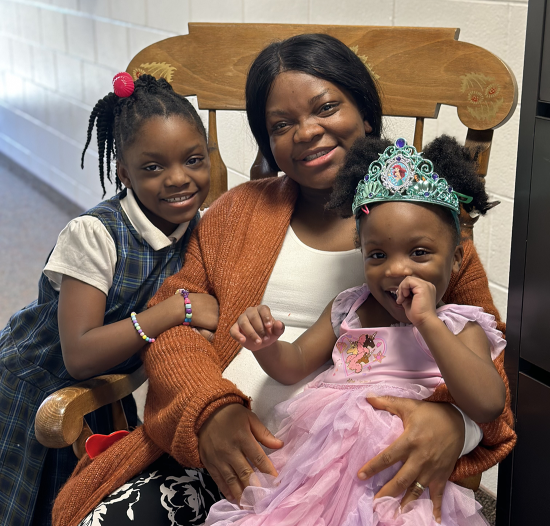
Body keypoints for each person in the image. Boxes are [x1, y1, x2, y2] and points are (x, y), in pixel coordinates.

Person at [53, 34, 515, 526]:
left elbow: (488, 367)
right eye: (281, 124)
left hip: (355, 474)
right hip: (222, 454)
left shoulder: (421, 230)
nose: (307, 132)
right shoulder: (236, 213)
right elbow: (175, 331)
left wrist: (454, 422)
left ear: (366, 112)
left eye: (326, 107)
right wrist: (208, 409)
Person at [204, 135, 507, 526]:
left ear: (457, 257)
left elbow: (488, 403)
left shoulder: (459, 324)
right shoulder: (351, 308)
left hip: (400, 479)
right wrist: (266, 345)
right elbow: (293, 365)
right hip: (320, 470)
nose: (396, 270)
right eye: (377, 255)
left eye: (419, 252)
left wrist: (428, 322)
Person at [0, 73, 218, 526]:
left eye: (194, 160)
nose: (179, 179)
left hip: (103, 394)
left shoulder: (200, 227)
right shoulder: (95, 234)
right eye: (153, 167)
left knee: (84, 505)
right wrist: (173, 311)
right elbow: (79, 355)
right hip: (32, 390)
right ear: (123, 171)